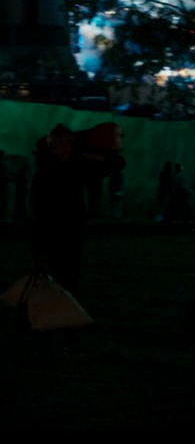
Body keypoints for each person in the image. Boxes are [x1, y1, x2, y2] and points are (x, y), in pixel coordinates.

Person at [28, 124, 126, 355]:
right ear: (52, 145)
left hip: (70, 236)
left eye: (68, 143)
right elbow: (39, 216)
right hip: (56, 237)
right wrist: (38, 251)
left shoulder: (71, 168)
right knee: (62, 285)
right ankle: (60, 334)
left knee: (65, 285)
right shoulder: (49, 173)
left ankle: (60, 334)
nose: (66, 148)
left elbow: (115, 164)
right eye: (62, 143)